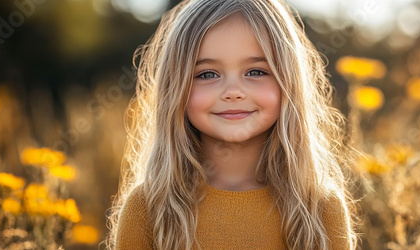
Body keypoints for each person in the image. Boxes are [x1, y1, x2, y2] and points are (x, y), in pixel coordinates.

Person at [105, 0, 358, 249]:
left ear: (289, 83)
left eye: (255, 71)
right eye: (207, 74)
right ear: (175, 89)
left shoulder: (322, 208)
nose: (233, 92)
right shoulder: (147, 209)